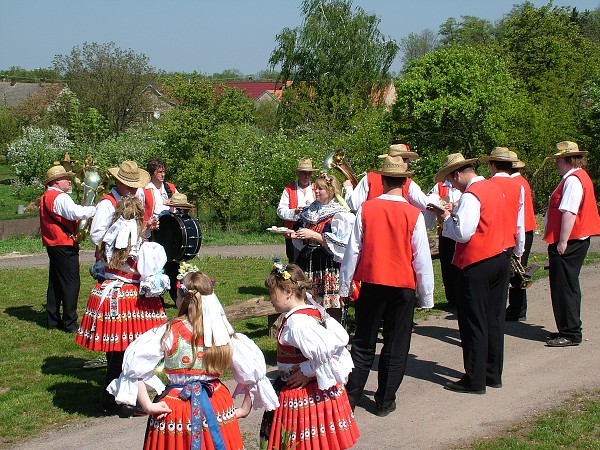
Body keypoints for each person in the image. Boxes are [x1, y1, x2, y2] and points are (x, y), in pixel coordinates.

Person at [108, 269, 278, 450]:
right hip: (216, 402)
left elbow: (134, 367)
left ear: (181, 298)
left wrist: (148, 406)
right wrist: (244, 409)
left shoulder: (168, 331)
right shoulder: (222, 332)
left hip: (177, 406)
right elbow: (253, 371)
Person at [339, 155, 434, 416]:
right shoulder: (414, 214)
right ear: (404, 182)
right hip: (402, 286)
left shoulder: (367, 209)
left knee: (363, 342)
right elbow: (421, 260)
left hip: (371, 282)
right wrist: (426, 297)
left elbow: (352, 251)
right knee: (396, 343)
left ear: (382, 180)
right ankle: (385, 400)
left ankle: (351, 399)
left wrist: (344, 287)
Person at [76, 196, 169, 414]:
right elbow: (148, 279)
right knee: (132, 352)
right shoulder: (141, 244)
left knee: (117, 350)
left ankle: (119, 395)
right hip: (129, 300)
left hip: (106, 296)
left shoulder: (108, 239)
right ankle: (115, 397)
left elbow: (100, 268)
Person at [429, 153, 509, 394]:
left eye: (451, 180)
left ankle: (475, 379)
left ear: (457, 174)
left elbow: (463, 233)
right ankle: (492, 373)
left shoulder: (472, 195)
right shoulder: (492, 188)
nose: (451, 185)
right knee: (493, 320)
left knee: (473, 322)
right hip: (499, 257)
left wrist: (445, 218)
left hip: (477, 263)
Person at [262, 262, 359, 450]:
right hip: (313, 391)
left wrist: (308, 370)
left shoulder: (298, 323)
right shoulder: (312, 311)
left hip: (304, 396)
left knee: (302, 444)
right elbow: (339, 342)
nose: (270, 299)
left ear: (288, 292)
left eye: (273, 294)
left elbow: (332, 351)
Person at [543, 141, 600, 347]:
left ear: (568, 160)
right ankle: (569, 328)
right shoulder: (576, 177)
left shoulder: (573, 180)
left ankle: (570, 332)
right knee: (568, 285)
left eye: (559, 159)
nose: (556, 163)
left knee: (563, 287)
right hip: (575, 238)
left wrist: (563, 241)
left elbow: (569, 211)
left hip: (571, 239)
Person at [289, 172, 355, 319]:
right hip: (307, 259)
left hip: (327, 263)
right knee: (306, 299)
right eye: (316, 188)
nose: (316, 191)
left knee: (330, 303)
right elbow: (303, 236)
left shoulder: (340, 214)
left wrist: (313, 235)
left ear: (331, 191)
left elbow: (342, 246)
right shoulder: (310, 210)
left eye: (320, 189)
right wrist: (295, 235)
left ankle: (334, 334)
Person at [39, 164, 96, 332]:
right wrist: (94, 209)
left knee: (55, 282)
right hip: (64, 243)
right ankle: (70, 323)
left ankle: (53, 319)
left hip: (53, 243)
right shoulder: (60, 197)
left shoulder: (46, 196)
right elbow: (74, 213)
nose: (69, 182)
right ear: (57, 181)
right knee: (71, 283)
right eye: (66, 179)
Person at [343, 140, 432, 213]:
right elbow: (427, 204)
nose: (406, 163)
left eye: (405, 159)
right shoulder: (410, 184)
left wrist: (348, 188)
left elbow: (353, 205)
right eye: (405, 159)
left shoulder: (369, 178)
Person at [89, 160, 150, 261]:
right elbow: (96, 235)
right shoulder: (107, 204)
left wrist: (145, 227)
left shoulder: (131, 202)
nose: (134, 190)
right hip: (110, 262)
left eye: (135, 187)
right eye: (129, 186)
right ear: (118, 182)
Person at [506, 150, 537, 321]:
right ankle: (517, 308)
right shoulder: (519, 181)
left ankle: (517, 309)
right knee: (518, 271)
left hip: (522, 230)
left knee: (517, 271)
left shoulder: (516, 183)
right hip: (524, 228)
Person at [480, 147, 525, 260]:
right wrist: (519, 249)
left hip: (488, 243)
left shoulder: (485, 185)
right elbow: (520, 221)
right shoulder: (519, 186)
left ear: (493, 165)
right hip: (509, 241)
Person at [426, 179, 461, 308]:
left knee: (461, 264)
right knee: (446, 264)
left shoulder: (467, 185)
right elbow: (432, 198)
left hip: (462, 230)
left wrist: (455, 206)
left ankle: (461, 297)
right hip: (445, 229)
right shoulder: (440, 186)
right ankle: (451, 299)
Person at [276, 158, 316, 263]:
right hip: (293, 234)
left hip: (313, 234)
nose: (306, 176)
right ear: (298, 173)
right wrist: (295, 212)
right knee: (294, 265)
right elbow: (280, 211)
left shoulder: (316, 188)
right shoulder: (289, 189)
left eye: (309, 173)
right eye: (303, 173)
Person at [143, 157, 178, 221]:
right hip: (152, 227)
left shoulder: (171, 188)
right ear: (152, 172)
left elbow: (180, 204)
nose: (163, 174)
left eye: (164, 171)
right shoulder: (144, 189)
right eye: (160, 172)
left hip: (170, 225)